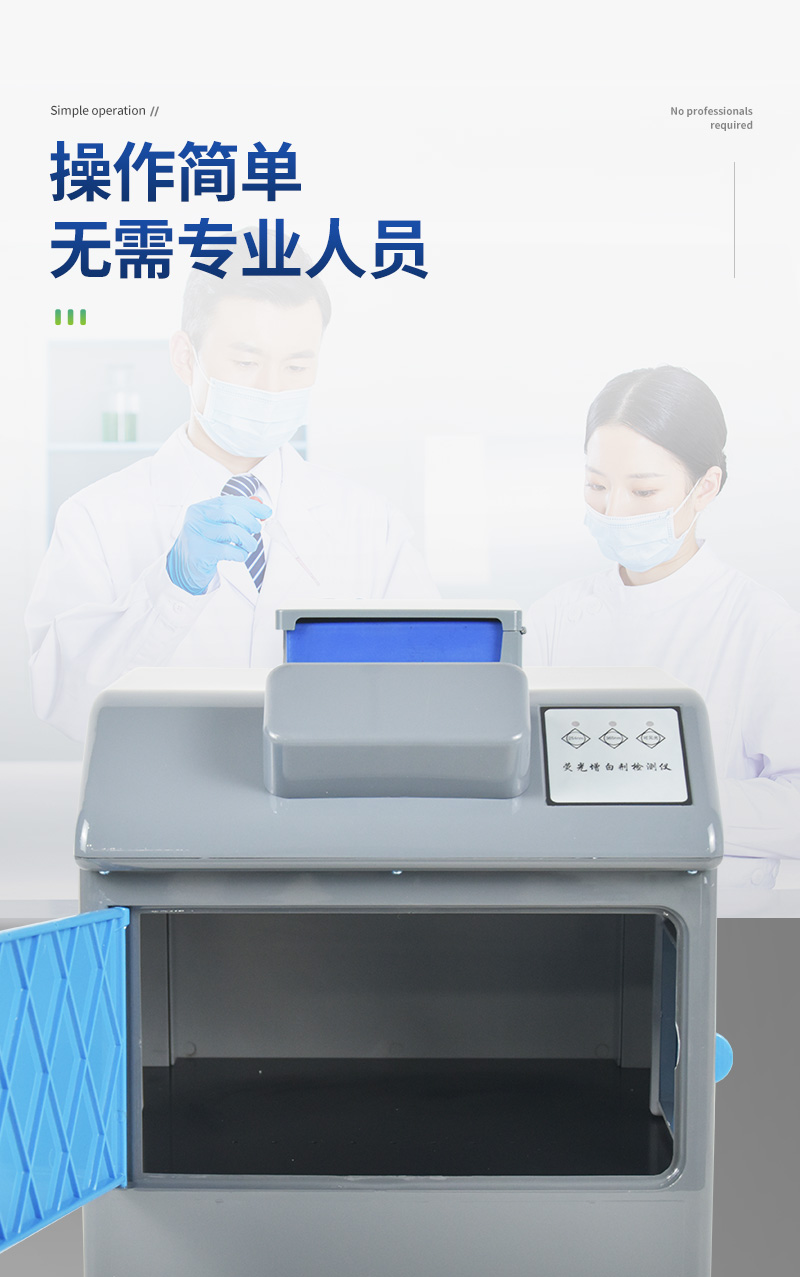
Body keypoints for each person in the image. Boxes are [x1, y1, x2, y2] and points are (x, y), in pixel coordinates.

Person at [26, 239, 439, 741]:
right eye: (246, 363)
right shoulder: (96, 517)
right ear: (185, 358)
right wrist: (172, 586)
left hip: (324, 790)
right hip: (163, 791)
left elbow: (431, 688)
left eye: (296, 367)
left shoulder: (373, 525)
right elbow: (62, 700)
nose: (272, 389)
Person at [525, 365, 800, 885]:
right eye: (596, 485)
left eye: (644, 492)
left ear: (705, 487)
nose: (613, 510)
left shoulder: (764, 628)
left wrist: (662, 795)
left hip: (716, 913)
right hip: (570, 905)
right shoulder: (552, 620)